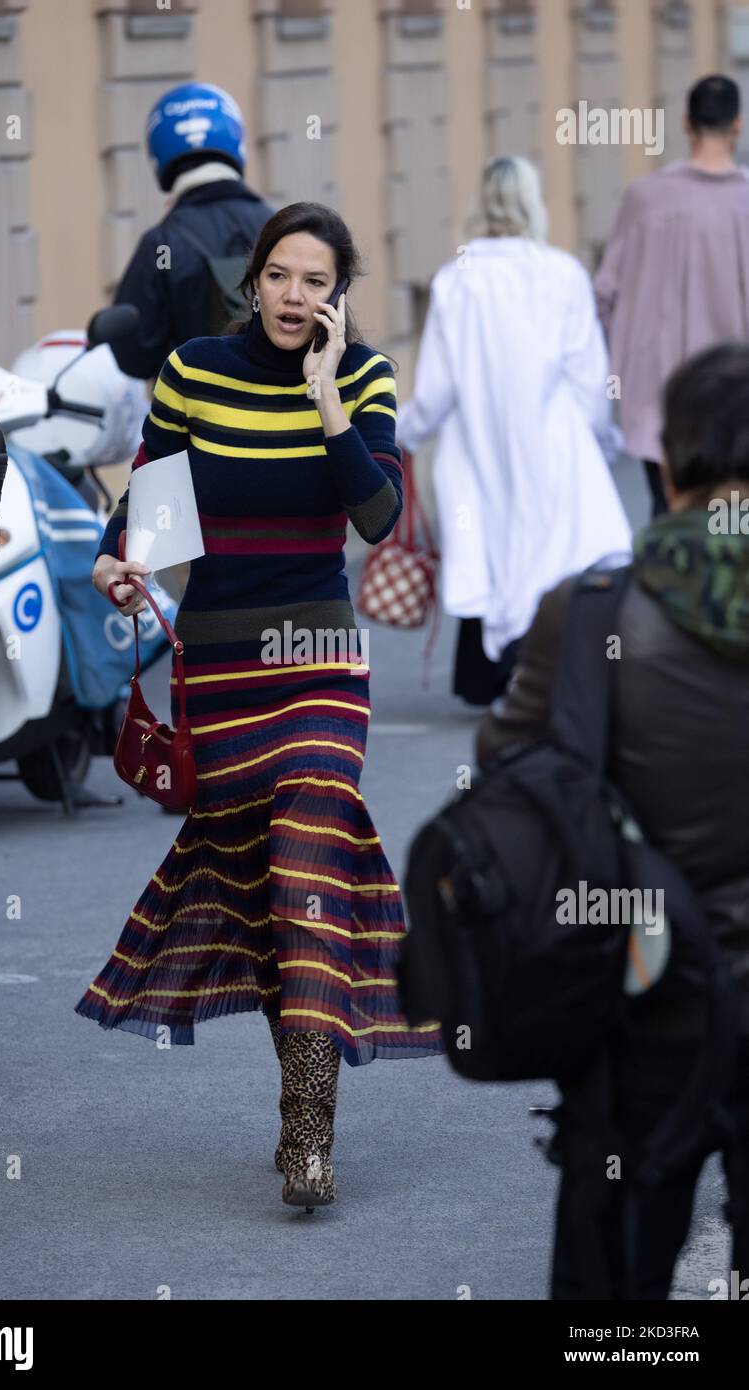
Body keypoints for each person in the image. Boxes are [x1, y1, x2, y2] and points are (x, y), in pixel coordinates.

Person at [76, 202, 445, 1210]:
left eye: (315, 281)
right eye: (280, 275)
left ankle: (311, 1130)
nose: (294, 295)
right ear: (255, 282)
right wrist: (124, 557)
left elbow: (378, 513)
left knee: (309, 855)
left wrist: (327, 398)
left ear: (339, 296)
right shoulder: (195, 368)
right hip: (225, 671)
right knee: (268, 895)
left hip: (321, 664)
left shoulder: (363, 377)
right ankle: (299, 1097)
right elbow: (155, 489)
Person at [477, 342, 749, 1299]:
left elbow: (506, 782)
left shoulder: (590, 609)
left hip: (645, 992)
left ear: (667, 463)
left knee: (615, 1299)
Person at [396, 155, 630, 708]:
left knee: (493, 555)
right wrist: (601, 441)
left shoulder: (457, 280)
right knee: (553, 561)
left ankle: (498, 676)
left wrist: (404, 431)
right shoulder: (563, 274)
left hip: (477, 449)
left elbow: (437, 388)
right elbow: (591, 379)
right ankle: (553, 677)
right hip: (553, 445)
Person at [594, 74, 749, 518]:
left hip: (657, 409)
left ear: (686, 123)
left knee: (668, 524)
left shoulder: (645, 199)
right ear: (737, 124)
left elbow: (604, 297)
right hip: (736, 407)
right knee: (733, 534)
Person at [110, 81, 273, 383]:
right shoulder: (282, 227)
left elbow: (132, 355)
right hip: (292, 416)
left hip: (200, 421)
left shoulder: (162, 243)